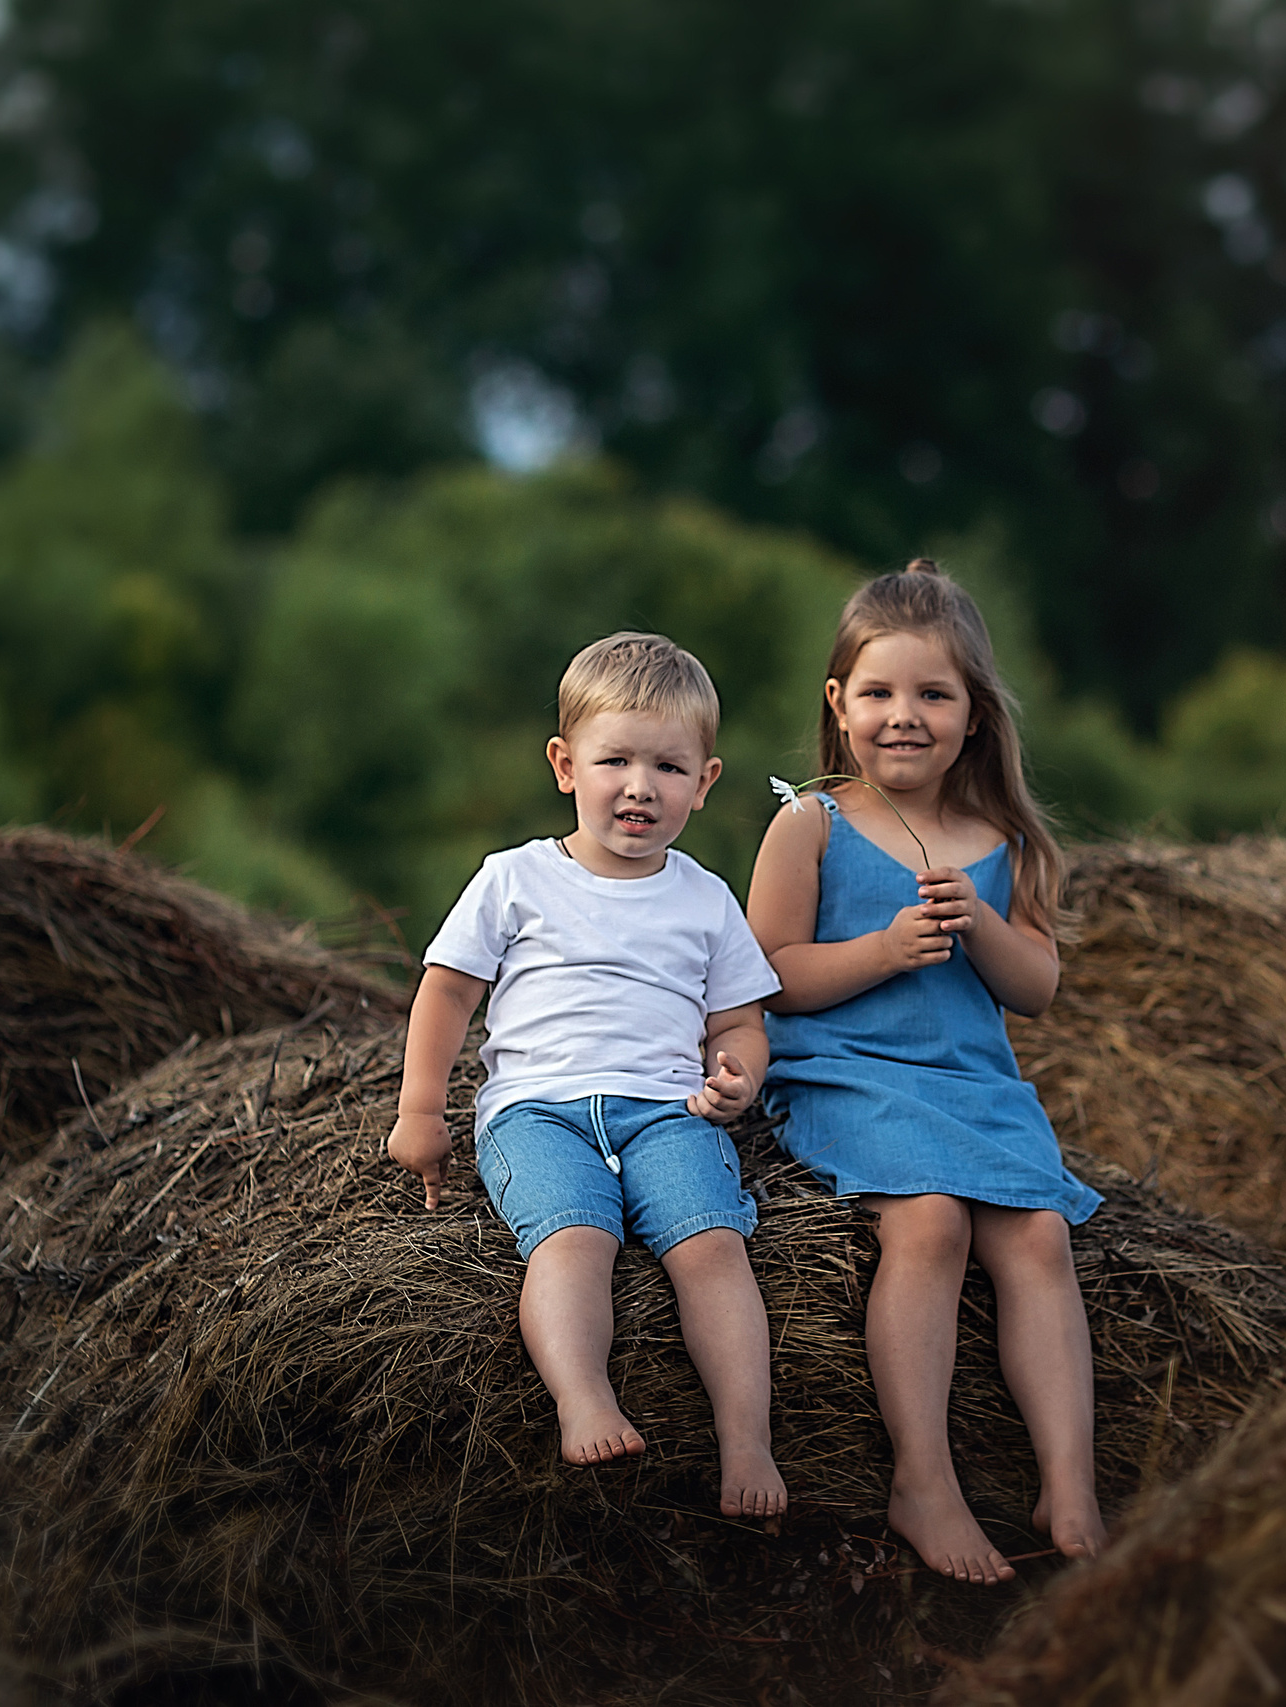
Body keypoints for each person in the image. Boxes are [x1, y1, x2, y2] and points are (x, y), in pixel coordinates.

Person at [745, 560, 1105, 1584]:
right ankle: (924, 1478)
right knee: (931, 1220)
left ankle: (1066, 1478)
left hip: (974, 1086)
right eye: (879, 694)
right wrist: (885, 951)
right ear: (839, 704)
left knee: (1037, 1235)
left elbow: (1034, 987)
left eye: (932, 695)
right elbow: (767, 976)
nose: (904, 717)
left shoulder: (1008, 842)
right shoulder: (807, 824)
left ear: (974, 715)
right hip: (847, 1073)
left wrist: (979, 923)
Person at [388, 631, 788, 1523]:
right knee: (575, 1240)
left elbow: (739, 1022)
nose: (641, 785)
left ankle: (748, 1440)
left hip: (668, 1110)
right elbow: (447, 992)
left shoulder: (706, 897)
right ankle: (583, 1399)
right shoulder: (514, 878)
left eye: (669, 767)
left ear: (707, 781)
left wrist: (738, 1074)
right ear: (566, 765)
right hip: (538, 1111)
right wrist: (421, 1108)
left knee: (713, 1248)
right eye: (615, 759)